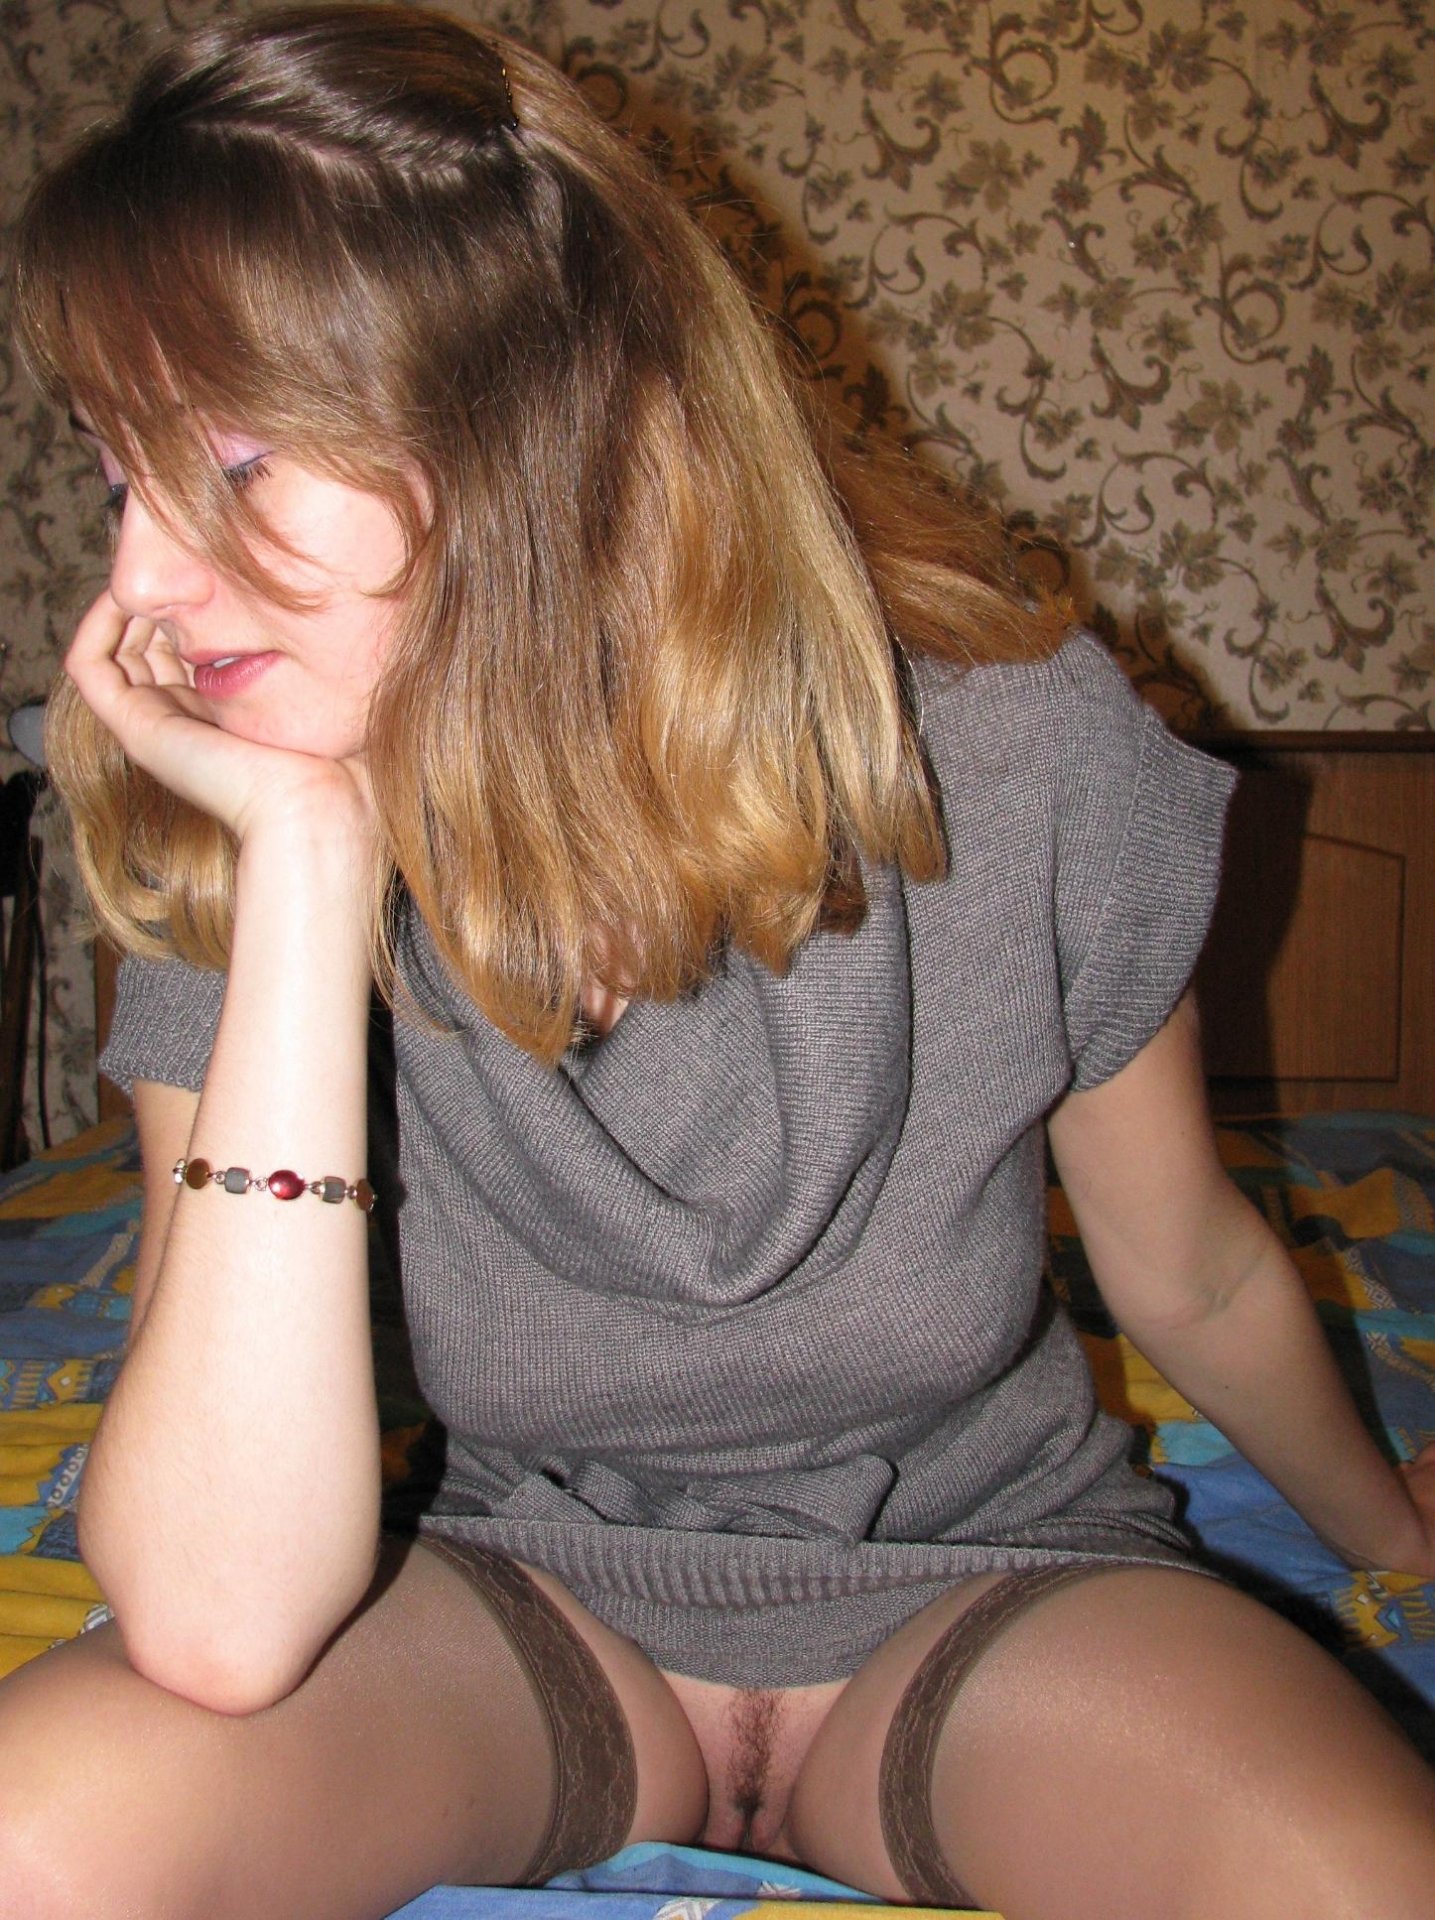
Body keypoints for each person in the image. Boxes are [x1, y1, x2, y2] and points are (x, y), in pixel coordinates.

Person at [4, 6, 1435, 1915]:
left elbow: (1196, 1262)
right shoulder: (247, 823)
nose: (143, 592)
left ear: (547, 420)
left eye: (243, 464)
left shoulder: (1017, 755)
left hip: (989, 1593)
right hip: (525, 1610)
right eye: (123, 480)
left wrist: (1393, 1533)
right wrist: (306, 876)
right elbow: (218, 1623)